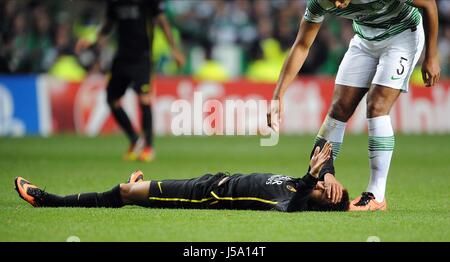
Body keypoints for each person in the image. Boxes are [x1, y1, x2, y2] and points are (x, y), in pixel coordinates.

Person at [268, 0, 440, 211]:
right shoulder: (318, 2)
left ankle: (376, 195)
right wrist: (279, 94)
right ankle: (323, 175)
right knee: (339, 108)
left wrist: (431, 56)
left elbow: (430, 5)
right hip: (365, 40)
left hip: (402, 35)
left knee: (376, 105)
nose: (338, 5)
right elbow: (302, 45)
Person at [14, 139, 349, 212]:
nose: (323, 182)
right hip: (212, 180)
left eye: (325, 187)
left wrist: (311, 179)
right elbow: (321, 147)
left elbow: (296, 202)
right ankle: (133, 189)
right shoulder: (297, 185)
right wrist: (353, 198)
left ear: (318, 199)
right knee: (131, 190)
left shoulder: (293, 200)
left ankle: (47, 201)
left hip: (204, 196)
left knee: (123, 193)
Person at [76, 0, 185, 162]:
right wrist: (94, 40)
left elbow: (162, 22)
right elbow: (109, 24)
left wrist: (174, 50)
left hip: (143, 58)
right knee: (111, 99)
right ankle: (135, 140)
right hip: (122, 58)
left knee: (144, 98)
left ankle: (148, 147)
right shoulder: (114, 2)